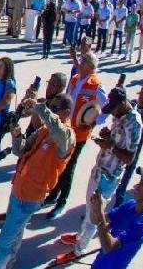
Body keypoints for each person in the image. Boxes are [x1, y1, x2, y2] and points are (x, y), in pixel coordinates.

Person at [0, 94, 75, 269]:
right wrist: (17, 134)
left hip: (31, 195)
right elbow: (20, 150)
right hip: (19, 189)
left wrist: (40, 107)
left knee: (5, 238)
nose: (50, 111)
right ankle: (8, 262)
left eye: (55, 109)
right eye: (51, 107)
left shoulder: (67, 136)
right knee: (15, 232)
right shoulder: (44, 130)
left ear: (66, 112)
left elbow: (57, 129)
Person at [57, 86, 143, 260]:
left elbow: (129, 158)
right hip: (100, 170)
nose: (111, 113)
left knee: (93, 215)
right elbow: (118, 141)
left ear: (122, 104)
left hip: (108, 176)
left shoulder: (134, 123)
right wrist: (108, 136)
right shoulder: (120, 116)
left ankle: (78, 251)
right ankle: (80, 237)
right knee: (89, 206)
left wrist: (109, 145)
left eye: (113, 109)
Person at [45, 51, 108, 220]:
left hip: (79, 135)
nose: (81, 61)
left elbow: (106, 108)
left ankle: (62, 201)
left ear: (92, 66)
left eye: (85, 60)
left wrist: (94, 122)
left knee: (68, 167)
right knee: (58, 164)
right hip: (65, 129)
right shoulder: (74, 79)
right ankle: (52, 195)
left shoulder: (96, 85)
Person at [80, 164, 143, 268]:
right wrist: (94, 206)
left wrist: (99, 212)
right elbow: (95, 220)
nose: (139, 184)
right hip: (99, 264)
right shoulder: (130, 204)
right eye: (141, 179)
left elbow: (109, 246)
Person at [114, 83, 143, 205]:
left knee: (126, 174)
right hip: (121, 143)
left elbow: (134, 113)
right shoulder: (134, 103)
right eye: (142, 91)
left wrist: (122, 97)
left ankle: (119, 199)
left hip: (133, 148)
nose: (142, 94)